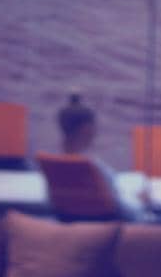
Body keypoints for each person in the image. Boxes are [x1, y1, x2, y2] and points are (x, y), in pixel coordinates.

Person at [55, 91, 142, 219]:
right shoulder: (94, 169)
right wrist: (140, 203)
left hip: (75, 224)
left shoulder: (52, 166)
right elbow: (125, 212)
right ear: (88, 130)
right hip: (121, 226)